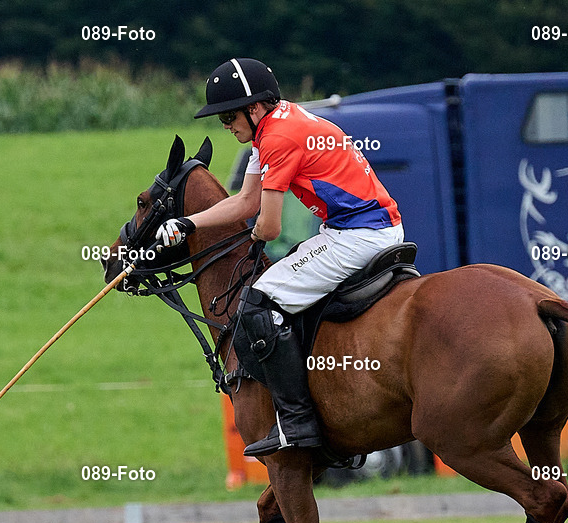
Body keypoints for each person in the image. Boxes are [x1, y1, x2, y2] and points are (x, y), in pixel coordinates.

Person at [156, 58, 403, 457]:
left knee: (257, 300)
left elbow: (267, 227)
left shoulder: (278, 137)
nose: (225, 125)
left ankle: (296, 420)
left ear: (255, 108)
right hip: (355, 228)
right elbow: (245, 201)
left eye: (230, 115)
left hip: (359, 236)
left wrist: (253, 235)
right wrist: (190, 223)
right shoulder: (274, 126)